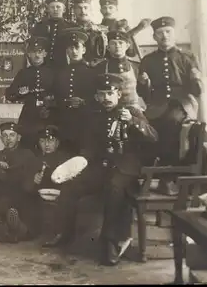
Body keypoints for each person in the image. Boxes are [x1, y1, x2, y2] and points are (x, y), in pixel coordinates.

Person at [53, 73, 158, 266]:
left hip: (126, 169)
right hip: (101, 167)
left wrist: (134, 122)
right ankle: (66, 234)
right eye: (102, 94)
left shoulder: (132, 111)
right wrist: (82, 159)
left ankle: (110, 241)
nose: (106, 98)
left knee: (114, 189)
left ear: (119, 94)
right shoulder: (95, 117)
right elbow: (90, 146)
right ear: (96, 97)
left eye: (110, 93)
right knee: (70, 187)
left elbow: (153, 137)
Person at [137, 16, 203, 195]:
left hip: (183, 104)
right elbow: (142, 93)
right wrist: (143, 83)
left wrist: (196, 79)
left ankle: (169, 178)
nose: (164, 36)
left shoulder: (187, 57)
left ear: (175, 34)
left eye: (168, 32)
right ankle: (146, 174)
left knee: (172, 122)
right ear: (154, 37)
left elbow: (196, 90)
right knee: (142, 127)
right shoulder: (148, 60)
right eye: (160, 33)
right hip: (156, 105)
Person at [0, 122, 37, 243]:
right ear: (1, 138)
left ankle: (16, 230)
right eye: (4, 136)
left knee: (13, 213)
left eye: (12, 135)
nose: (8, 139)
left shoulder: (27, 154)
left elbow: (26, 174)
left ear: (18, 138)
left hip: (22, 197)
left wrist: (9, 169)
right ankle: (4, 232)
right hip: (2, 198)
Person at [25, 125, 78, 247]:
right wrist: (33, 181)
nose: (46, 144)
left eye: (50, 140)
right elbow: (27, 188)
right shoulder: (35, 160)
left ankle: (61, 234)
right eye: (42, 141)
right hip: (40, 197)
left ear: (57, 143)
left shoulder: (65, 159)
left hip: (62, 195)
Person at [5, 37, 56, 151]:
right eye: (33, 52)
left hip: (49, 115)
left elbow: (59, 93)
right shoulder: (24, 73)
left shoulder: (52, 72)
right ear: (29, 54)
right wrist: (20, 92)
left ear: (45, 53)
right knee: (27, 148)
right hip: (29, 117)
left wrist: (51, 102)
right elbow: (9, 94)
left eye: (40, 52)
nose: (37, 55)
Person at [52, 28, 95, 152]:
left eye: (77, 47)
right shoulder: (60, 73)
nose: (74, 51)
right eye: (71, 48)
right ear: (67, 51)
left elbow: (98, 97)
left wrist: (84, 102)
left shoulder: (92, 72)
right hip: (65, 123)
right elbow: (57, 96)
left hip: (86, 123)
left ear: (84, 50)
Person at [95, 30, 146, 111]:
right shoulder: (101, 67)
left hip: (133, 109)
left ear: (127, 45)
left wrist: (146, 82)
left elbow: (144, 91)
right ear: (108, 47)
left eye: (120, 43)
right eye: (113, 43)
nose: (117, 46)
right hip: (110, 110)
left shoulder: (136, 66)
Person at [30, 0, 74, 69]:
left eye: (58, 7)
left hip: (64, 67)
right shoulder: (40, 26)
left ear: (64, 10)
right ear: (48, 9)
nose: (55, 10)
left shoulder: (71, 27)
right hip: (44, 67)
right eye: (52, 7)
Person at [72, 0, 107, 65]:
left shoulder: (102, 30)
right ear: (74, 10)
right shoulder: (69, 29)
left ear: (91, 9)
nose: (83, 11)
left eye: (85, 7)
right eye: (79, 8)